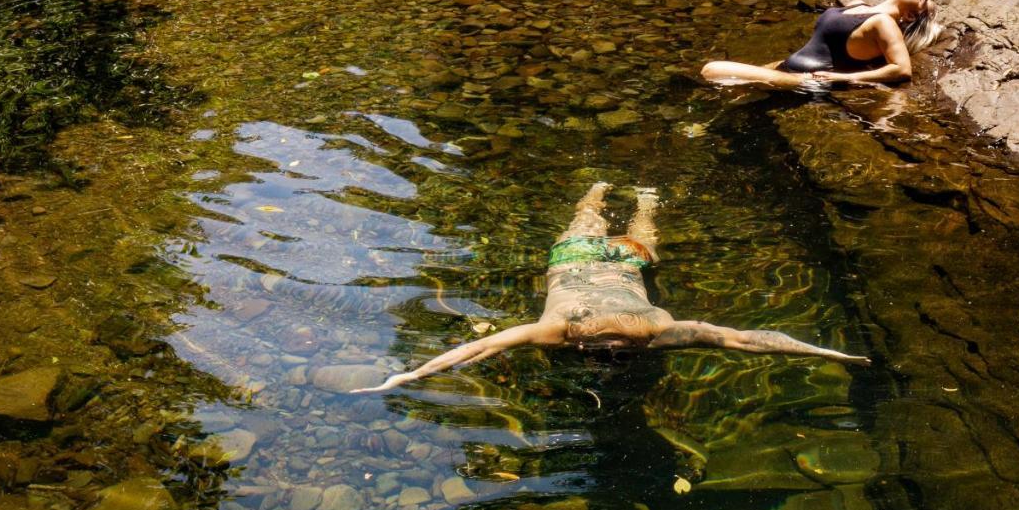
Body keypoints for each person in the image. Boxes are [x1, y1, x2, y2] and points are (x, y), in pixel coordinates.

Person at [351, 182, 868, 392]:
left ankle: (612, 194)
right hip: (605, 267)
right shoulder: (655, 330)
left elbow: (477, 349)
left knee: (616, 227)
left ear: (585, 346)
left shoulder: (563, 330)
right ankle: (626, 196)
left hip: (609, 265)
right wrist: (822, 353)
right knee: (624, 229)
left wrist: (406, 377)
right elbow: (745, 338)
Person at [701, 0, 942, 90]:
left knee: (711, 70)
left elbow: (901, 70)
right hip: (784, 66)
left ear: (910, 17)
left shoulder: (884, 24)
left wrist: (845, 79)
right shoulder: (859, 5)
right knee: (728, 92)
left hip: (806, 79)